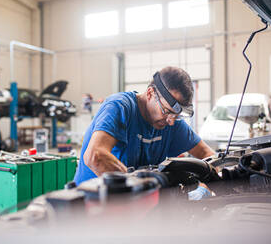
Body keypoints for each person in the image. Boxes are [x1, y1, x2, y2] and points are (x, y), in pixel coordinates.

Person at [74, 66, 215, 185]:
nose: (171, 121)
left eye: (176, 116)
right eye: (167, 111)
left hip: (136, 205)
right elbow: (95, 155)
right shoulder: (120, 107)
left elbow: (207, 154)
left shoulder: (171, 122)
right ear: (150, 93)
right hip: (92, 205)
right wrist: (136, 187)